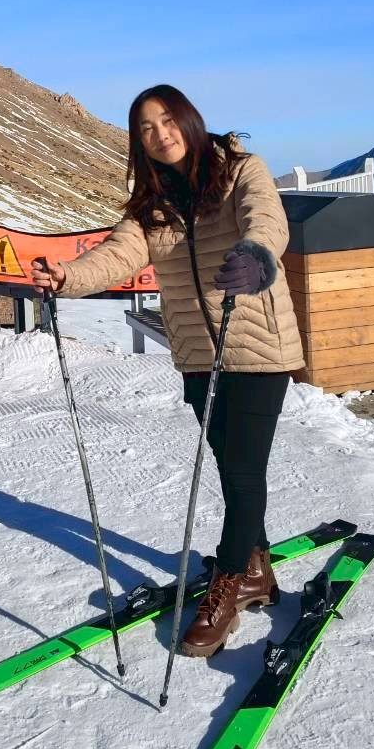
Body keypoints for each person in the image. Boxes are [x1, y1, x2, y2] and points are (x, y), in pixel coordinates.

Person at [30, 84, 304, 658]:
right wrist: (67, 278)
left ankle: (229, 584)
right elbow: (118, 254)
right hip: (199, 354)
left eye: (167, 120)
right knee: (229, 466)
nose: (160, 134)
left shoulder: (240, 171)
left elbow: (265, 219)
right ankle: (256, 570)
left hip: (257, 346)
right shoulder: (150, 206)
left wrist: (256, 254)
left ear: (189, 120)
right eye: (146, 129)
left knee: (244, 473)